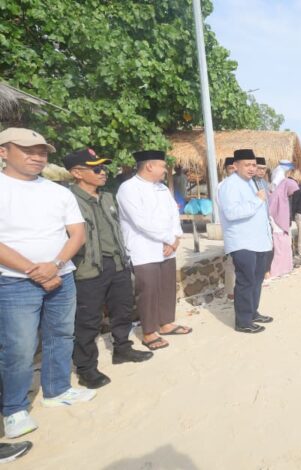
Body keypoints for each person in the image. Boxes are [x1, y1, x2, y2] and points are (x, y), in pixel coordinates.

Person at [0, 128, 93, 439]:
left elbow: (77, 234)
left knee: (61, 334)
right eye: (27, 150)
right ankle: (14, 409)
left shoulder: (59, 192)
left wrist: (54, 266)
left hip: (61, 277)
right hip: (14, 282)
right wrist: (33, 270)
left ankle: (57, 389)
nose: (37, 156)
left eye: (42, 151)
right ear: (3, 152)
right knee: (19, 348)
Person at [64, 148, 153, 389]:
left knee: (122, 309)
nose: (103, 172)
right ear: (76, 173)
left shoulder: (106, 197)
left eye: (103, 167)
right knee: (88, 320)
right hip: (88, 267)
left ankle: (122, 349)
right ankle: (86, 368)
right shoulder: (68, 200)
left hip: (117, 262)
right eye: (96, 168)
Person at [117, 150, 191, 351]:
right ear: (149, 166)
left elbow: (173, 213)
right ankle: (149, 332)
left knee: (166, 286)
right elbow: (141, 221)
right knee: (148, 289)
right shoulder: (128, 188)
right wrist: (168, 238)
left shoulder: (162, 189)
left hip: (168, 247)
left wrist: (175, 238)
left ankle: (166, 323)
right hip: (143, 248)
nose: (165, 169)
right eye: (162, 166)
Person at [218, 149, 275, 334]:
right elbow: (232, 213)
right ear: (235, 166)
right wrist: (257, 201)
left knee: (257, 279)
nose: (252, 168)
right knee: (246, 281)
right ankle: (243, 321)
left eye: (254, 165)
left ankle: (252, 312)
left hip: (259, 241)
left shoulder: (252, 183)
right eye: (247, 165)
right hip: (242, 242)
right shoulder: (230, 185)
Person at [269, 168, 301, 279]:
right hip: (277, 226)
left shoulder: (284, 195)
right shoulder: (277, 195)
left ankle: (285, 269)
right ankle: (276, 271)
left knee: (286, 246)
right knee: (279, 248)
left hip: (283, 226)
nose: (292, 194)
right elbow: (272, 212)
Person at [218, 158, 237, 299]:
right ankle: (231, 291)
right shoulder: (222, 186)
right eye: (230, 168)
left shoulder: (245, 185)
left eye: (234, 168)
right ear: (225, 169)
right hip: (231, 229)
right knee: (231, 261)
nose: (233, 171)